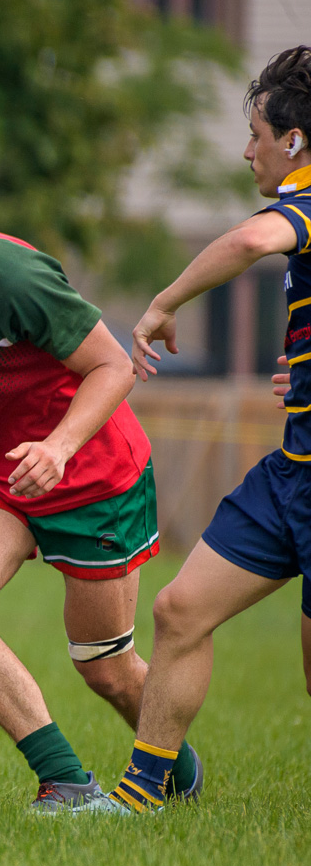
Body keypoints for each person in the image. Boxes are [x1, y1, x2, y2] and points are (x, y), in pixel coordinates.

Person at [0, 168, 189, 812]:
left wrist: (58, 448)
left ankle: (179, 770)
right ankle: (65, 781)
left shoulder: (6, 273)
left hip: (91, 476)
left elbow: (114, 365)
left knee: (106, 669)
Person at [116, 45, 311, 812]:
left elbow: (250, 241)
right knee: (178, 610)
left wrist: (163, 303)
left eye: (257, 134)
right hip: (289, 472)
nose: (246, 150)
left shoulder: (301, 205)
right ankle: (139, 798)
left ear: (293, 141)